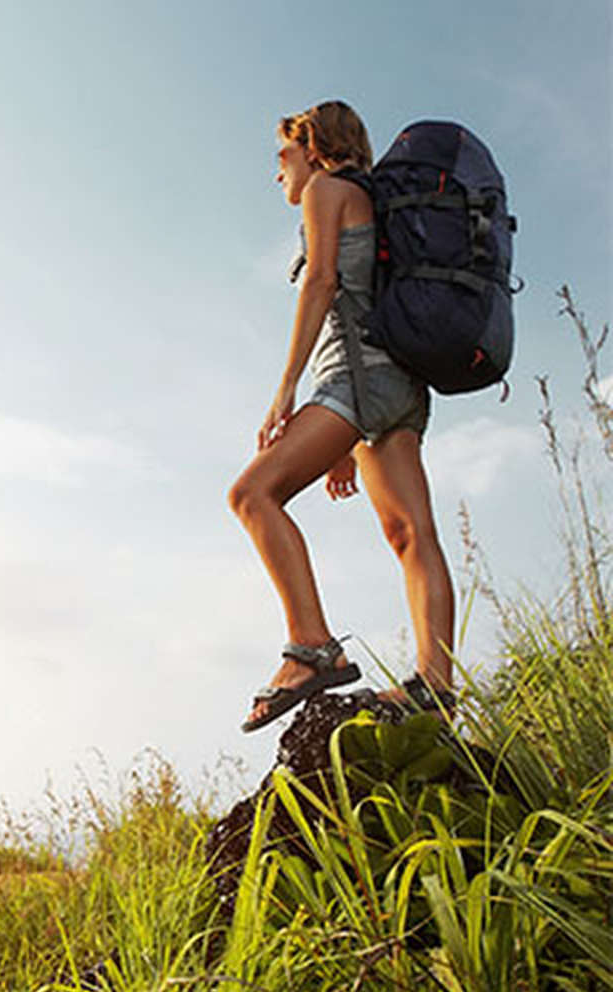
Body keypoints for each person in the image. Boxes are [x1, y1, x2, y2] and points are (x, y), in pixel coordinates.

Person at [228, 100, 455, 733]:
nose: (279, 174)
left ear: (312, 147)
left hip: (353, 384)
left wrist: (287, 388)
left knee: (251, 494)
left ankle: (312, 649)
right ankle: (436, 687)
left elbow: (322, 282)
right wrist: (337, 445)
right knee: (413, 535)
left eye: (283, 157)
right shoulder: (374, 198)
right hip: (400, 387)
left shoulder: (326, 188)